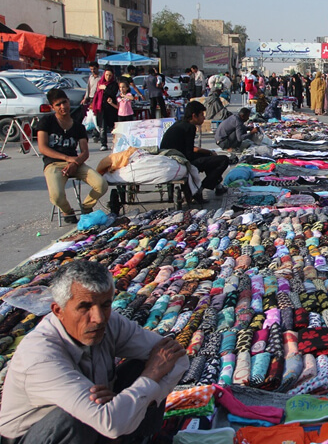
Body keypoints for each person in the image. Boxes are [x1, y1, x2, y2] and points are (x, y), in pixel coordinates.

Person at [0, 260, 188, 442]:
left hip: (103, 421)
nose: (98, 318)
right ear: (58, 311)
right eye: (85, 307)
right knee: (71, 420)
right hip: (35, 436)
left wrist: (126, 405)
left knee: (155, 362)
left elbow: (179, 359)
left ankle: (133, 437)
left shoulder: (111, 323)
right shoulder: (40, 357)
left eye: (105, 305)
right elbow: (111, 423)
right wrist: (150, 378)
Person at [36, 89, 108, 224]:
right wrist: (67, 159)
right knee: (57, 196)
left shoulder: (78, 127)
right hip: (54, 164)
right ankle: (68, 211)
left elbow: (85, 152)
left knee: (101, 184)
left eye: (64, 102)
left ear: (68, 101)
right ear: (52, 107)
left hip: (76, 163)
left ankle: (86, 208)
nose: (63, 107)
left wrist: (74, 163)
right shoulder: (47, 121)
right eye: (58, 105)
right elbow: (43, 148)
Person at [160, 100, 229, 203]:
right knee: (224, 160)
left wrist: (207, 153)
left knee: (210, 158)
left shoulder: (180, 124)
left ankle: (217, 186)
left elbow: (189, 148)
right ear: (194, 116)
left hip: (171, 158)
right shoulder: (190, 127)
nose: (203, 118)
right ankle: (200, 189)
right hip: (179, 161)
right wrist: (206, 155)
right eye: (201, 115)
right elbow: (189, 154)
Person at [93, 68, 119, 152]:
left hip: (111, 108)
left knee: (113, 127)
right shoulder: (100, 83)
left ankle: (116, 143)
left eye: (110, 75)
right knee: (102, 127)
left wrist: (105, 88)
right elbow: (96, 94)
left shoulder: (114, 84)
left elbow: (113, 93)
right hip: (101, 108)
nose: (108, 77)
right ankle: (103, 144)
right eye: (107, 75)